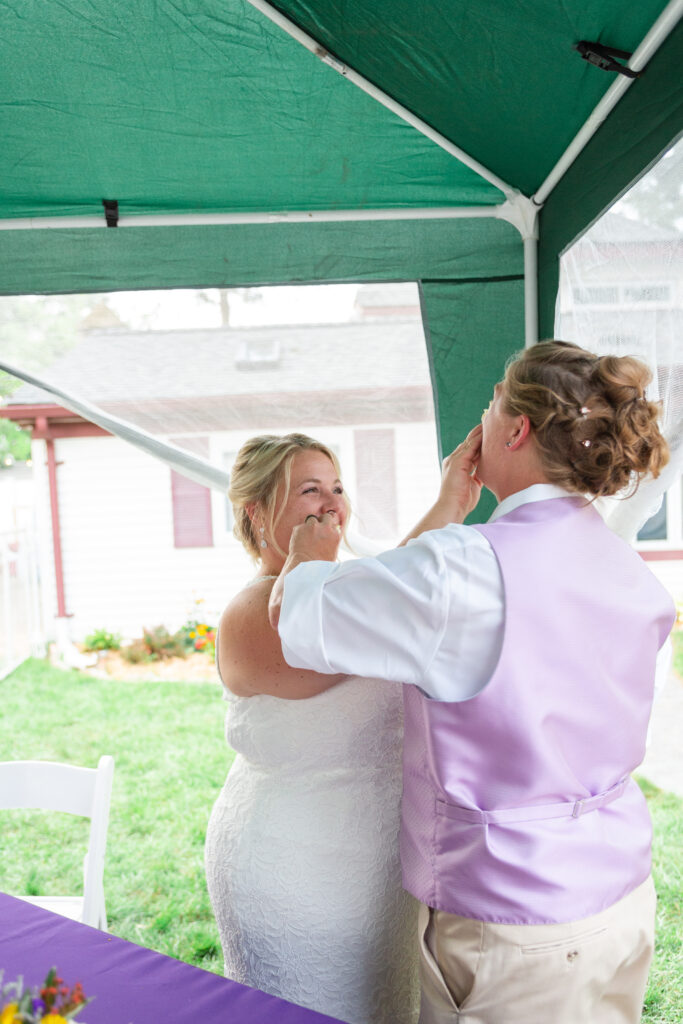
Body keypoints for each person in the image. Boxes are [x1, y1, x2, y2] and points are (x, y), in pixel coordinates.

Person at [269, 342, 675, 1024]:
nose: (482, 418)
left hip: (516, 926)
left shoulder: (465, 568)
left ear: (514, 429)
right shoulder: (624, 566)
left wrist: (307, 555)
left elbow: (299, 615)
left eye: (490, 403)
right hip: (622, 895)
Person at [204, 432, 419, 1024]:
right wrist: (314, 562)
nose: (331, 503)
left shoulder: (347, 590)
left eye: (338, 487)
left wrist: (451, 497)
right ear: (256, 511)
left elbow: (393, 595)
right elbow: (358, 628)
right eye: (309, 490)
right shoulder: (249, 613)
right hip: (291, 867)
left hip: (378, 864)